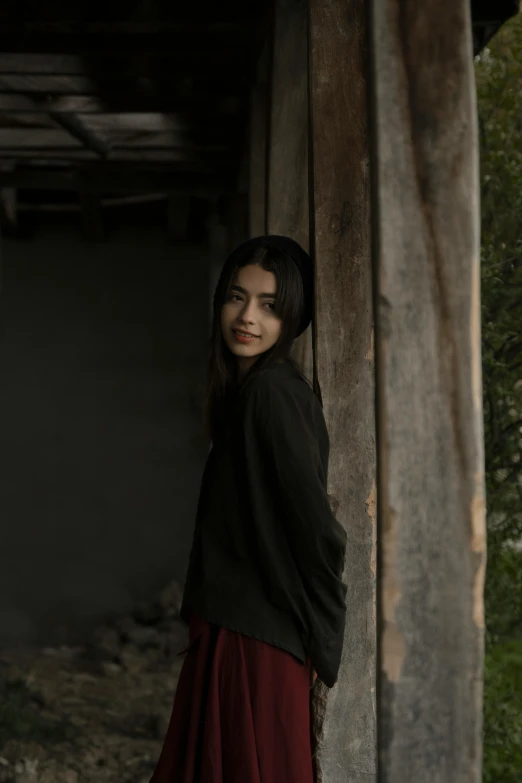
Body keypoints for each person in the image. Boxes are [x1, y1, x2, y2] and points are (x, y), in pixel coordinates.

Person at [149, 235, 348, 783]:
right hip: (235, 626)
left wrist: (324, 639)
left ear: (292, 317)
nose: (247, 317)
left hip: (258, 642)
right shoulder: (249, 392)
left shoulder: (272, 394)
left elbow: (316, 528)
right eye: (238, 297)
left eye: (269, 305)